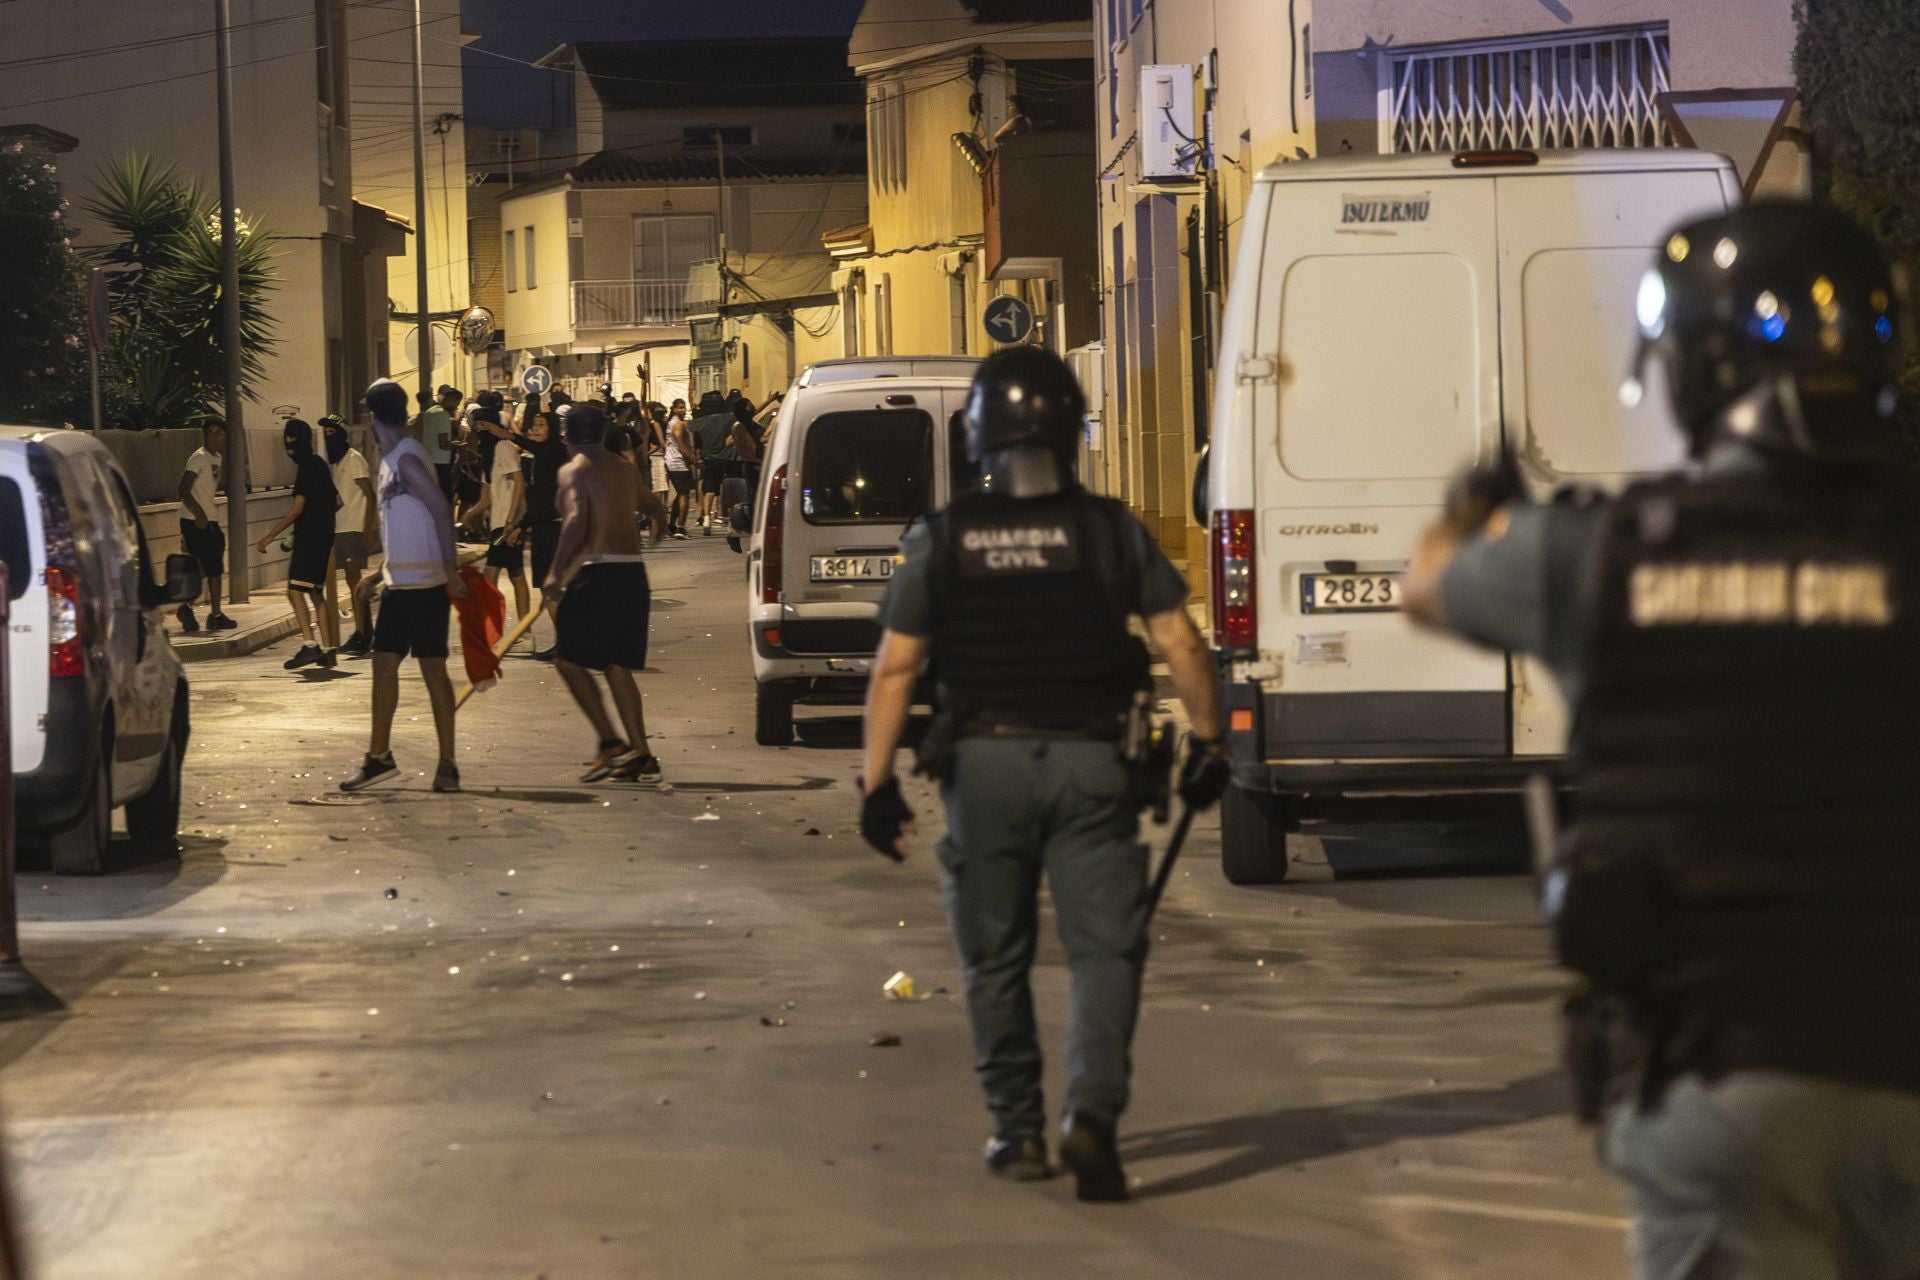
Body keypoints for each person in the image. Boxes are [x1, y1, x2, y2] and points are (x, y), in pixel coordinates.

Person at [1401, 201, 1920, 1280]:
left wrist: (1478, 508)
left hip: (1721, 1088)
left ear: (1691, 372)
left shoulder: (1605, 558)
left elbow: (1427, 583)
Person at [858, 347, 1229, 1201]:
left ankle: (1018, 1131)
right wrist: (1210, 744)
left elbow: (895, 671)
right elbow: (1181, 643)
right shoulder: (1110, 529)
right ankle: (1092, 1114)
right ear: (1069, 430)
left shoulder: (943, 540)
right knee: (1106, 949)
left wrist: (876, 787)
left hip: (983, 768)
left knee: (995, 959)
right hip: (1095, 764)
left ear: (979, 438)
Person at [341, 379, 466, 794]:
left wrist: (450, 569)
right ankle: (379, 757)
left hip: (426, 584)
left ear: (375, 417)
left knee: (432, 669)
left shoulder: (408, 457)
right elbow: (405, 526)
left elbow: (440, 511)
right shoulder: (390, 460)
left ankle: (447, 763)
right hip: (401, 582)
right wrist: (379, 573)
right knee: (384, 664)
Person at [544, 404, 672, 785]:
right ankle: (641, 753)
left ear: (566, 436)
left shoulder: (574, 469)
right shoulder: (625, 468)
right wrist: (659, 526)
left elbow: (576, 518)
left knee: (568, 661)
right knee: (617, 666)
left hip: (596, 573)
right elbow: (653, 506)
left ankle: (611, 742)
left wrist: (555, 572)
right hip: (631, 575)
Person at [255, 418, 340, 670]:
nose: (289, 448)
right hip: (324, 537)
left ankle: (309, 645)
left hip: (310, 539)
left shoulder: (306, 467)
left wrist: (270, 535)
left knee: (294, 591)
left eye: (290, 441)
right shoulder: (321, 465)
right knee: (315, 593)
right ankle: (328, 649)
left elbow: (298, 508)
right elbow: (337, 502)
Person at [466, 406, 532, 636]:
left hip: (507, 525)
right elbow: (488, 496)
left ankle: (489, 630)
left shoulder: (503, 447)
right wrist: (468, 516)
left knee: (491, 576)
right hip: (500, 524)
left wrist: (512, 521)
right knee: (516, 575)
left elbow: (519, 483)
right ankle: (524, 632)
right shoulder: (489, 453)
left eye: (474, 427)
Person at [321, 414, 378, 656]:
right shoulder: (335, 463)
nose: (327, 436)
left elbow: (370, 495)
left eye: (331, 432)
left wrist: (368, 530)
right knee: (350, 581)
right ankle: (361, 631)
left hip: (353, 528)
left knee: (356, 581)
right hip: (339, 528)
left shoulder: (354, 460)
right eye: (324, 433)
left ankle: (364, 633)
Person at [175, 420, 236, 633]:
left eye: (219, 433)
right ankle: (185, 606)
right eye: (211, 433)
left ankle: (216, 614)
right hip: (194, 520)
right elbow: (183, 489)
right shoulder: (198, 458)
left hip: (210, 519)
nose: (215, 437)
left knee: (215, 566)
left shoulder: (216, 458)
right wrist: (198, 513)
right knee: (199, 567)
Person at [690, 394, 735, 534]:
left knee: (709, 489)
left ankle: (707, 518)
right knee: (726, 489)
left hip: (708, 458)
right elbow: (751, 413)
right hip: (726, 458)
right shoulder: (728, 418)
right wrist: (768, 401)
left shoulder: (701, 422)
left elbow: (688, 425)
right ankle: (728, 519)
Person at [662, 398, 697, 539]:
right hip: (678, 463)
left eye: (683, 407)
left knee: (679, 493)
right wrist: (693, 460)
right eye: (679, 408)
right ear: (674, 409)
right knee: (684, 494)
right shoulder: (678, 424)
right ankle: (680, 527)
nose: (682, 410)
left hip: (672, 462)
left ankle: (671, 525)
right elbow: (680, 443)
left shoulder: (672, 423)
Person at [418, 385, 460, 500]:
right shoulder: (443, 415)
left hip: (428, 458)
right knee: (445, 494)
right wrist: (457, 445)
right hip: (441, 461)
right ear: (451, 401)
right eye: (457, 403)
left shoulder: (429, 412)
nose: (456, 407)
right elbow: (443, 443)